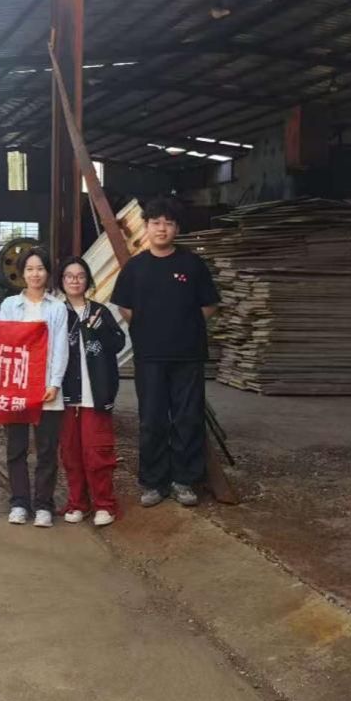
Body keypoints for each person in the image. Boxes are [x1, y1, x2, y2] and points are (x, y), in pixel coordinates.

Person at [111, 196, 219, 508]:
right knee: (152, 420)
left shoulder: (192, 265)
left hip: (188, 355)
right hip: (150, 357)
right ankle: (153, 482)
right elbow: (125, 307)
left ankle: (184, 480)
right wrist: (151, 329)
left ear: (177, 229)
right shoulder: (135, 268)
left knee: (187, 418)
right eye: (156, 222)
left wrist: (184, 326)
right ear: (146, 227)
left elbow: (209, 304)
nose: (162, 229)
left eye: (168, 223)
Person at [0, 247, 69, 528]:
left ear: (48, 273)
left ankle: (43, 505)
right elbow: (4, 344)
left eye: (40, 269)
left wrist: (55, 383)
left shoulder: (57, 308)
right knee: (16, 448)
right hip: (17, 386)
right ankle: (19, 503)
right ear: (22, 273)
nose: (35, 274)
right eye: (29, 269)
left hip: (47, 388)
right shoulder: (9, 306)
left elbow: (60, 348)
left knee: (47, 450)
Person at [58, 257, 126, 527]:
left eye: (80, 276)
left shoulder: (100, 311)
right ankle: (78, 502)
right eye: (69, 275)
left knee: (97, 452)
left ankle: (104, 504)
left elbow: (118, 343)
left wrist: (101, 332)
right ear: (61, 281)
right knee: (70, 452)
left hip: (95, 394)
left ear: (87, 280)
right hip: (64, 396)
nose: (75, 280)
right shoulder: (56, 312)